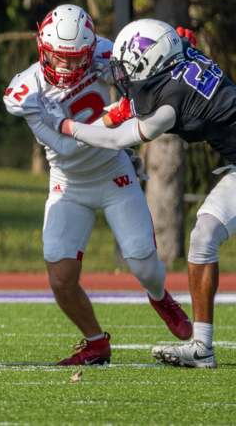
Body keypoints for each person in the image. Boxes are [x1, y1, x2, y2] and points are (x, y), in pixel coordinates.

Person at [3, 5, 192, 366]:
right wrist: (108, 123)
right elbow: (63, 147)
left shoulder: (108, 53)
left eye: (77, 60)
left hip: (113, 174)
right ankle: (95, 342)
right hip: (68, 183)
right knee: (60, 277)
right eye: (60, 58)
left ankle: (160, 296)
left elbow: (151, 75)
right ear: (42, 49)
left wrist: (179, 54)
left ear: (90, 52)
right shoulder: (26, 91)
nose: (68, 68)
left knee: (142, 263)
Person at [55, 18, 236, 368]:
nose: (123, 76)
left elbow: (116, 139)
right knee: (203, 237)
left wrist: (66, 127)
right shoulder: (180, 53)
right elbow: (130, 105)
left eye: (128, 68)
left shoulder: (170, 103)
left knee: (204, 236)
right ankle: (202, 348)